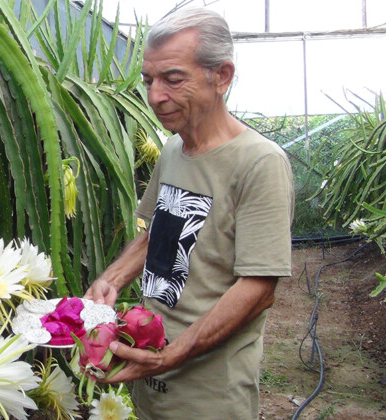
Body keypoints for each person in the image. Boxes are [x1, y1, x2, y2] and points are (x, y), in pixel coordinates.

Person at [83, 7, 294, 420]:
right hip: (151, 373)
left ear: (222, 76)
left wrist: (172, 355)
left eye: (173, 79)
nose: (155, 96)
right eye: (148, 80)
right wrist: (111, 279)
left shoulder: (259, 163)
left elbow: (258, 288)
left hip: (208, 393)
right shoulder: (174, 149)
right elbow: (157, 231)